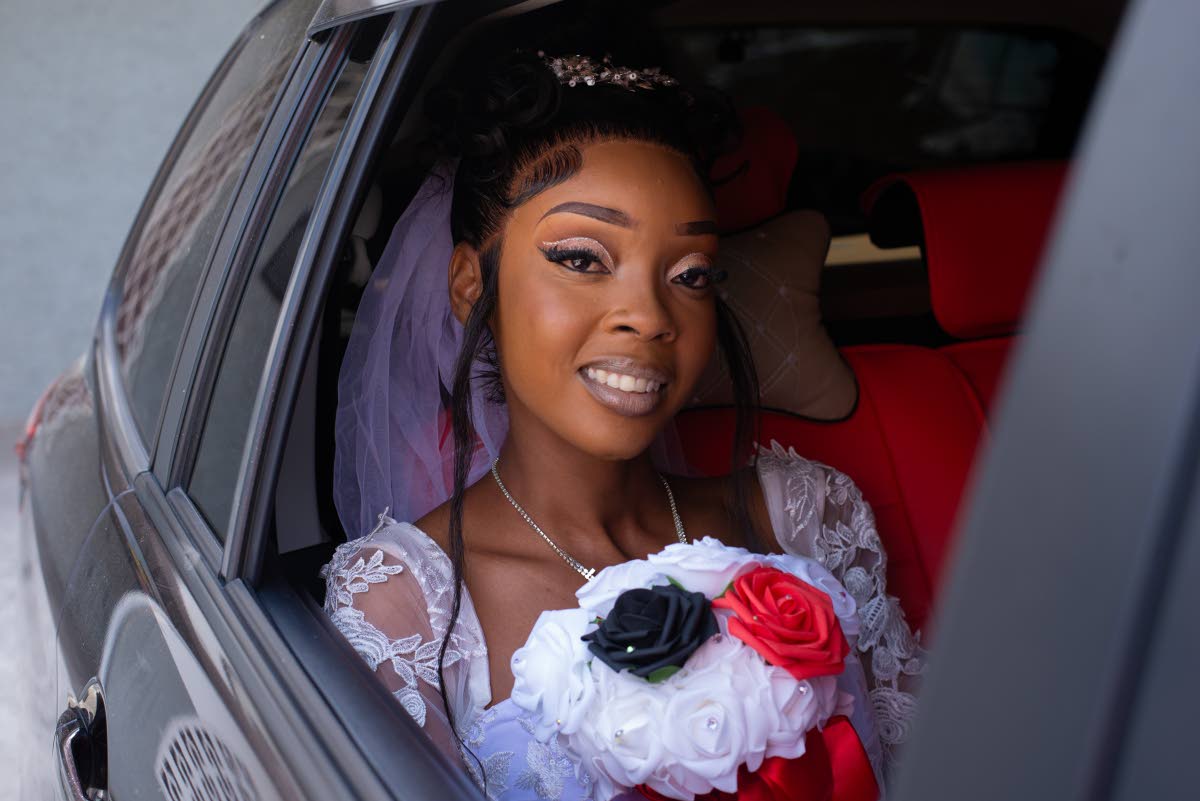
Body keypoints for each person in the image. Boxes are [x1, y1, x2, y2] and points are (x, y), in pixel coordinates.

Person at [321, 47, 920, 800]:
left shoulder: (804, 512)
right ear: (473, 287)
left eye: (690, 275)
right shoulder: (405, 604)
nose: (648, 316)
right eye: (582, 258)